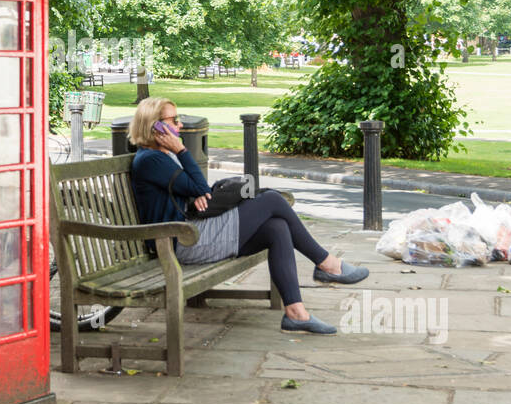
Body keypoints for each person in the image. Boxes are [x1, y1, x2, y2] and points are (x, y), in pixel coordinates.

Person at [128, 97, 368, 335]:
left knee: (276, 227)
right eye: (174, 120)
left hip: (189, 232)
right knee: (272, 199)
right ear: (155, 127)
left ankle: (296, 314)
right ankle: (327, 265)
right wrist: (182, 152)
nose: (180, 125)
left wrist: (196, 191)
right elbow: (200, 187)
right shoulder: (152, 159)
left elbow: (197, 190)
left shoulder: (160, 156)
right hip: (180, 242)